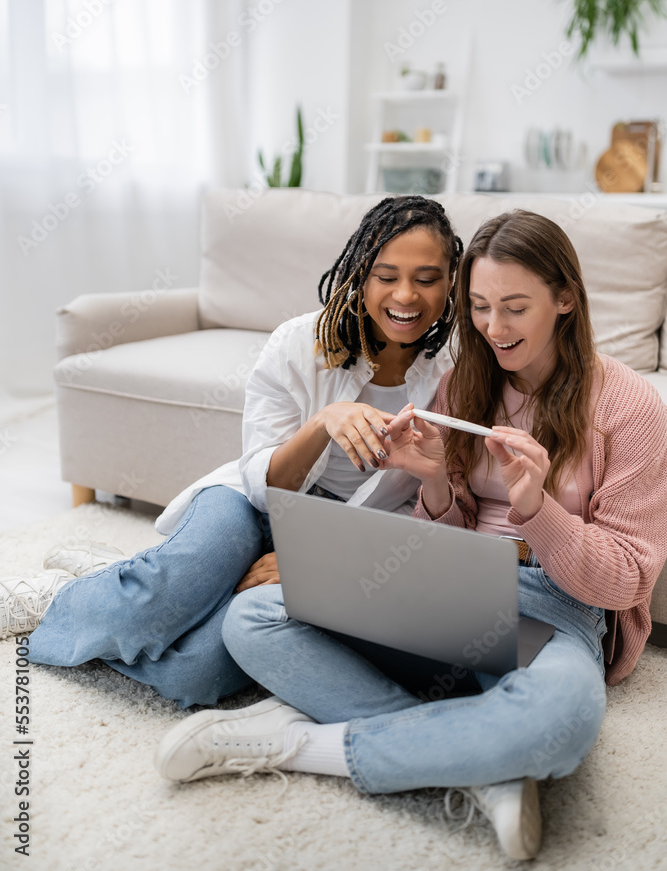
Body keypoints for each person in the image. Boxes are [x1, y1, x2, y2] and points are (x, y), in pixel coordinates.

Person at [153, 210, 667, 861]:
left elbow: (624, 579)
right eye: (478, 306)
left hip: (555, 606)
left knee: (562, 719)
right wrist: (432, 484)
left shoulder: (629, 406)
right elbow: (440, 530)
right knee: (252, 617)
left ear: (565, 298)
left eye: (514, 308)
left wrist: (539, 509)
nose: (492, 328)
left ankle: (301, 745)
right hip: (452, 582)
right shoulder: (465, 383)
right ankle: (482, 763)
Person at [0, 195, 463, 711]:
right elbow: (264, 485)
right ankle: (65, 600)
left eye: (426, 278)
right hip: (248, 500)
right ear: (360, 274)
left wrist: (319, 561)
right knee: (169, 589)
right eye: (386, 275)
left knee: (194, 676)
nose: (406, 295)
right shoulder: (298, 343)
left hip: (340, 532)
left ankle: (115, 580)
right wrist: (320, 424)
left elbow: (424, 517)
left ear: (450, 283)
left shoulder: (456, 375)